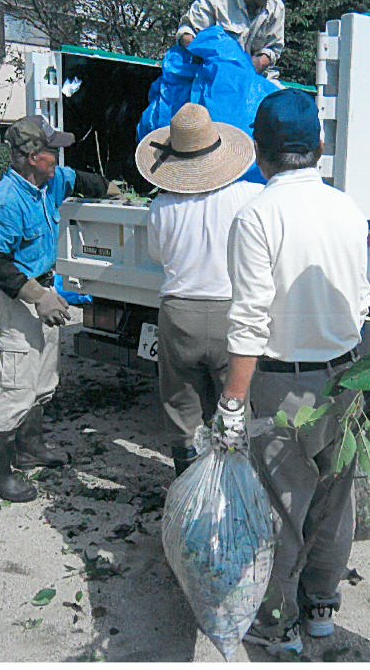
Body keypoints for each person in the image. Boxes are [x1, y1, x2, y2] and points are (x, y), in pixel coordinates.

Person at [212, 89, 370, 656]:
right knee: (332, 499)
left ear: (260, 150)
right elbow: (358, 300)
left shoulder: (257, 214)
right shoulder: (348, 209)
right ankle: (321, 611)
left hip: (285, 387)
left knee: (282, 508)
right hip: (345, 380)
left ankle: (276, 623)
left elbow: (250, 319)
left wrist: (233, 403)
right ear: (321, 147)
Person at [0, 115, 120, 502]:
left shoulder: (49, 182)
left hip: (45, 291)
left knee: (43, 382)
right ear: (29, 156)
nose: (58, 157)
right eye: (51, 150)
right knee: (16, 385)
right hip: (19, 298)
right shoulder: (7, 201)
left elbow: (83, 179)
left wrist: (115, 192)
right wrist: (38, 298)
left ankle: (30, 449)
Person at [134, 103, 262, 476]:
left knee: (183, 409)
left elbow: (158, 255)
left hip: (179, 313)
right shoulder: (248, 196)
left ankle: (189, 486)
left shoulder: (161, 206)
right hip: (230, 314)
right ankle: (233, 488)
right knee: (235, 406)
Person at [177, 0, 284, 80]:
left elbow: (274, 48)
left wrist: (259, 63)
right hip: (210, 80)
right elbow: (187, 33)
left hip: (257, 82)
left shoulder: (276, 7)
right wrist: (211, 57)